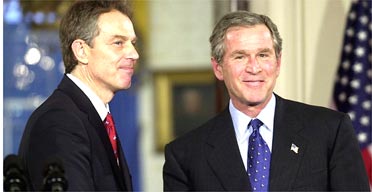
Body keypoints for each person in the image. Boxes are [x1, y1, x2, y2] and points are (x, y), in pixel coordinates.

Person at [163, 11, 369, 191]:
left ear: (278, 63)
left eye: (263, 55)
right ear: (218, 68)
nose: (254, 68)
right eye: (240, 57)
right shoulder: (185, 155)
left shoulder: (330, 131)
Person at [18, 0, 139, 191]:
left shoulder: (94, 118)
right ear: (81, 51)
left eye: (132, 43)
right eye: (118, 43)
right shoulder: (59, 122)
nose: (134, 54)